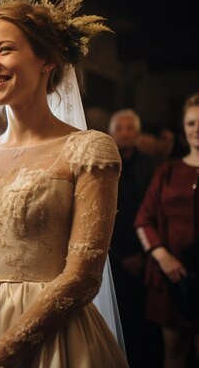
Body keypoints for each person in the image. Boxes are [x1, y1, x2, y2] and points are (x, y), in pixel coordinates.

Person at [0, 0, 129, 368]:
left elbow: (83, 278)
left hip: (52, 339)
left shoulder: (88, 149)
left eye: (4, 50)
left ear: (46, 60)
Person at [135, 92, 199, 368]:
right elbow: (143, 220)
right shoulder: (167, 171)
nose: (197, 130)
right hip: (170, 275)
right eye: (191, 123)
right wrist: (163, 257)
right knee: (173, 350)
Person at [108, 109, 161, 368]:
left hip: (145, 255)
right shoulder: (103, 165)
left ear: (137, 133)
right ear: (111, 132)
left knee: (145, 324)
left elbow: (154, 213)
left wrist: (143, 254)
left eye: (131, 128)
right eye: (120, 128)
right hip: (113, 256)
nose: (126, 133)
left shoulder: (150, 165)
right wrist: (118, 256)